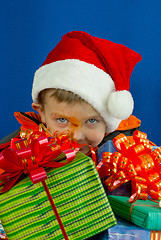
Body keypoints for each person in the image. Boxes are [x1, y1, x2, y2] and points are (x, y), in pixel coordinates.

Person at [0, 31, 142, 239]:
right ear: (41, 113)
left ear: (109, 122)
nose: (76, 135)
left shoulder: (124, 155)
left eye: (91, 121)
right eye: (62, 120)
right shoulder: (19, 153)